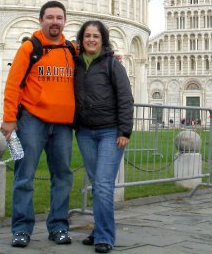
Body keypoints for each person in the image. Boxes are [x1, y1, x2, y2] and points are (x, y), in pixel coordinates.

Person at [1, 0, 76, 248]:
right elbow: (14, 85)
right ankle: (21, 229)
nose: (54, 22)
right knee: (25, 176)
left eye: (59, 18)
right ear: (41, 20)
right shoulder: (29, 48)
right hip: (33, 119)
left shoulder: (71, 50)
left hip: (63, 124)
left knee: (63, 176)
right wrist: (9, 119)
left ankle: (58, 227)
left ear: (65, 21)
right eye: (50, 17)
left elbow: (93, 61)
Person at [73, 20, 134, 254]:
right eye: (87, 36)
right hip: (85, 132)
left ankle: (105, 236)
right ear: (81, 39)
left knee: (103, 184)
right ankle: (99, 229)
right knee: (97, 185)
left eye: (95, 36)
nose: (91, 40)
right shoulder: (75, 64)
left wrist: (124, 131)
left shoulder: (112, 65)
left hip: (110, 132)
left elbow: (125, 98)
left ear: (103, 40)